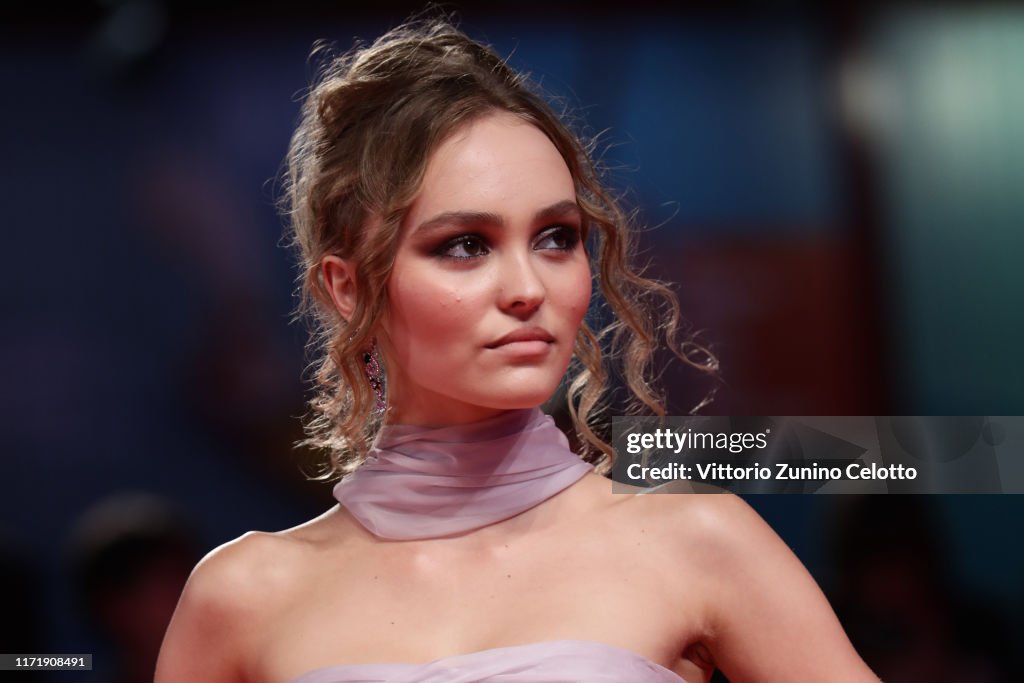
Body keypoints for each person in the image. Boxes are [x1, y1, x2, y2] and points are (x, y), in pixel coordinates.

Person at [155, 16, 879, 683]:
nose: (528, 287)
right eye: (466, 245)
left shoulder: (697, 541)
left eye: (556, 237)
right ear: (346, 289)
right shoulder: (243, 596)